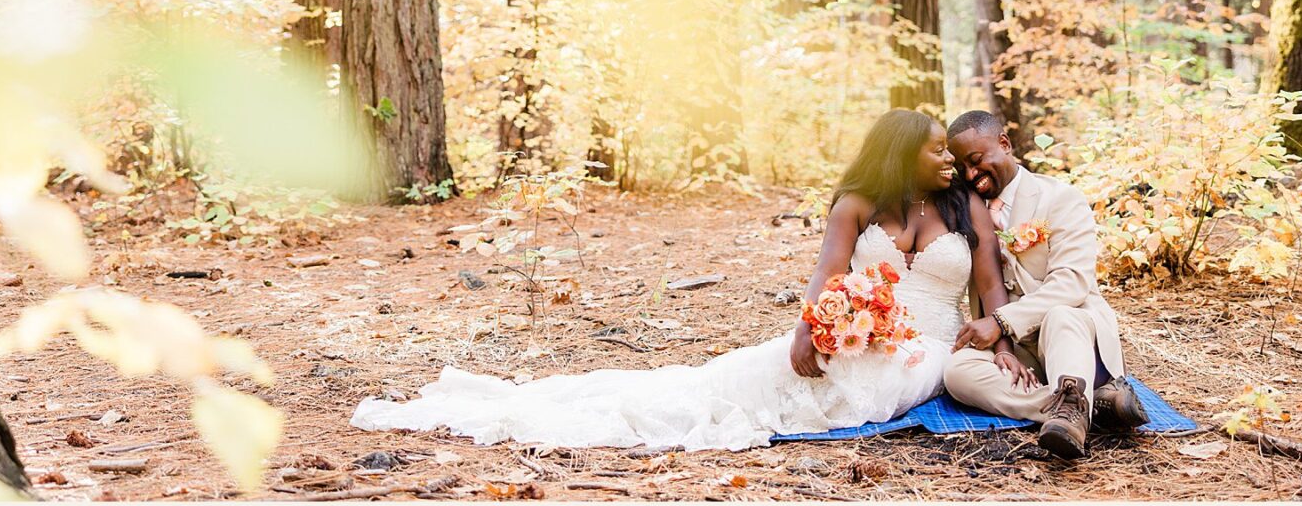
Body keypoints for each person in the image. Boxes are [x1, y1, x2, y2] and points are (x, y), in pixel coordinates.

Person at [350, 108, 1017, 451]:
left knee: (871, 391)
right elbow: (827, 275)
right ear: (901, 154)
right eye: (935, 148)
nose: (948, 159)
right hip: (856, 335)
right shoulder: (857, 203)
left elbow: (990, 290)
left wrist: (1006, 341)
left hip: (930, 345)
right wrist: (809, 329)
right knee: (735, 384)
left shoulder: (967, 207)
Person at [941, 109, 1148, 459]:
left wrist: (1001, 321)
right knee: (957, 371)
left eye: (976, 160)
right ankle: (1077, 407)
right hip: (1017, 351)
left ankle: (1074, 399)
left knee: (1061, 315)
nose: (971, 174)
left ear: (1004, 144)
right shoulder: (965, 212)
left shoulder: (1060, 198)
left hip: (1074, 336)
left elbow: (1073, 282)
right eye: (962, 167)